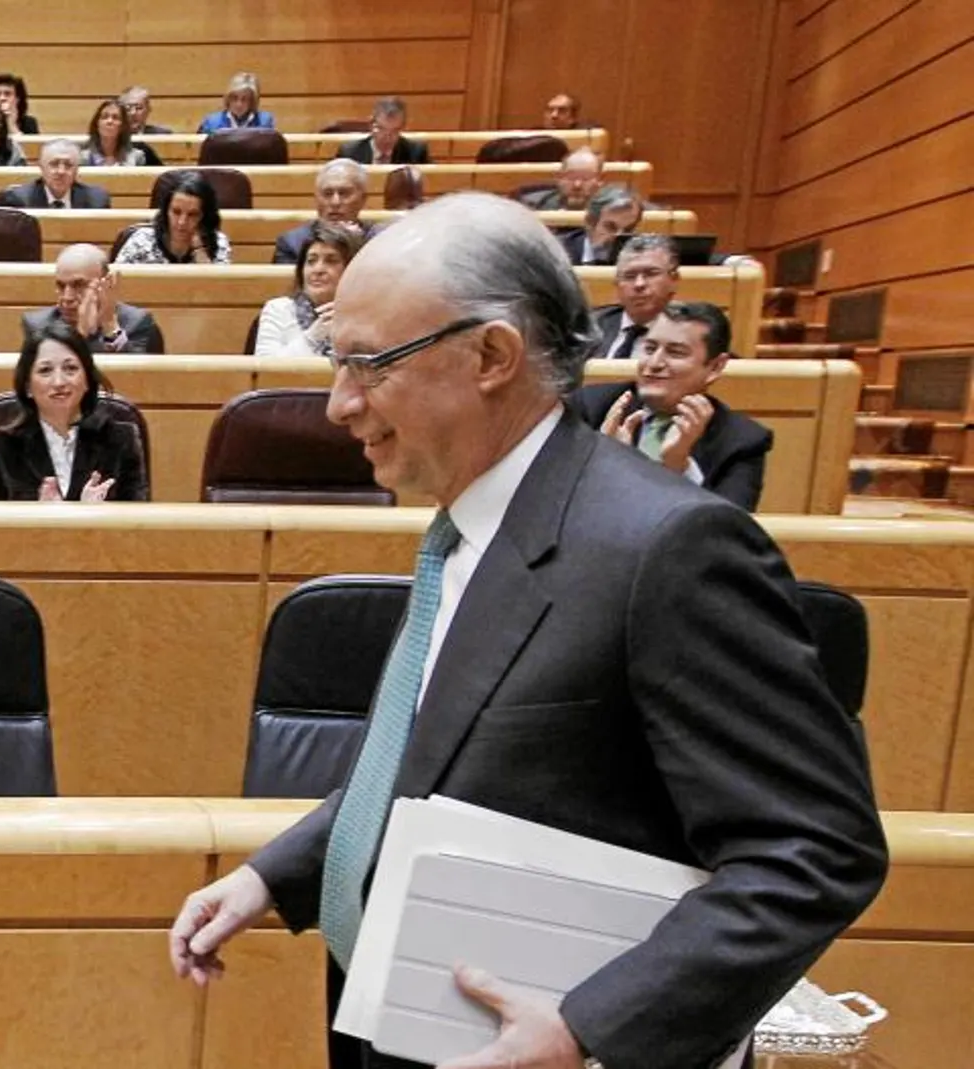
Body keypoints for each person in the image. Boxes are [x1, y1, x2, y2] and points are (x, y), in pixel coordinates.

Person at [165, 192, 885, 1069]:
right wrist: (275, 875)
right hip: (399, 1024)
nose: (338, 405)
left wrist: (592, 1029)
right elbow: (426, 761)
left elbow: (815, 847)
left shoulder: (667, 548)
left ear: (492, 355)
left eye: (367, 364)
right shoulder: (469, 527)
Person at [571, 300, 773, 512]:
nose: (654, 363)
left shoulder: (742, 441)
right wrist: (606, 464)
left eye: (675, 352)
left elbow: (729, 535)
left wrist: (678, 468)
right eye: (649, 348)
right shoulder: (588, 407)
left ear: (715, 367)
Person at [0, 320, 147, 502]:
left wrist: (97, 517)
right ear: (27, 387)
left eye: (70, 368)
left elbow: (141, 523)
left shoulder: (121, 440)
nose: (59, 382)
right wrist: (37, 516)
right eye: (45, 370)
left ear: (87, 380)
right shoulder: (2, 446)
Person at [22, 243, 159, 354]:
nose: (67, 297)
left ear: (106, 284)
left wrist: (109, 326)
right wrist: (82, 334)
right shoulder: (38, 325)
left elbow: (135, 379)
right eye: (61, 286)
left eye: (79, 285)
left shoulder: (136, 323)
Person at [256, 224, 358, 356]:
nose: (318, 270)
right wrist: (313, 336)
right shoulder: (279, 309)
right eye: (311, 261)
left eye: (331, 261)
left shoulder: (366, 315)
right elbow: (267, 370)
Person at [593, 233, 682, 361]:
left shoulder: (689, 331)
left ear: (674, 280)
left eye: (651, 274)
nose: (639, 284)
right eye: (629, 276)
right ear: (617, 284)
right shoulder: (591, 325)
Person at [114, 172, 231, 264]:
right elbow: (114, 283)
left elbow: (219, 289)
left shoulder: (219, 242)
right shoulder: (142, 240)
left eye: (192, 215)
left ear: (204, 216)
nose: (182, 222)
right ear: (166, 211)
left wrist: (199, 250)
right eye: (176, 212)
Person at [274, 159, 371, 265]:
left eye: (344, 193)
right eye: (327, 194)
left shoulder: (377, 241)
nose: (335, 202)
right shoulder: (292, 243)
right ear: (316, 199)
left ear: (363, 199)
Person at [0, 139, 109, 209]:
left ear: (77, 169)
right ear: (41, 167)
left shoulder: (96, 200)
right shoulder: (18, 200)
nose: (61, 171)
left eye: (68, 165)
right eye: (54, 164)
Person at [561, 184, 642, 265]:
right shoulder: (560, 252)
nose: (618, 236)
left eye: (628, 229)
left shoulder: (640, 255)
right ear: (589, 222)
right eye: (611, 227)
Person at [338, 97, 431, 165]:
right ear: (371, 124)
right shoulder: (349, 152)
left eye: (395, 131)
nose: (387, 137)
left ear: (403, 128)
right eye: (381, 129)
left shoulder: (416, 153)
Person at [520, 147, 603, 212]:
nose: (577, 185)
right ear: (559, 178)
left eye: (586, 178)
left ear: (599, 181)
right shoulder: (535, 206)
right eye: (570, 178)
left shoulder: (610, 212)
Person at [80, 99, 150, 167]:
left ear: (123, 126)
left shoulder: (136, 157)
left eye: (115, 117)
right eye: (104, 117)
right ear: (97, 124)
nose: (109, 121)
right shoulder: (83, 158)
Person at [197, 73, 274, 133]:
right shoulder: (212, 122)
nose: (238, 104)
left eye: (244, 99)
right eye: (234, 98)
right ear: (228, 98)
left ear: (252, 101)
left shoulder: (264, 122)